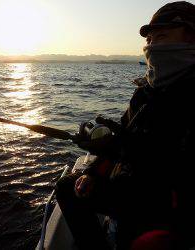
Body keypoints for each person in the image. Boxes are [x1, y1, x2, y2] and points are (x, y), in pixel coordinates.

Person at [56, 1, 195, 250]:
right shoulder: (145, 91)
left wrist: (121, 146)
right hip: (133, 185)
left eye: (161, 36)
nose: (151, 47)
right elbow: (124, 135)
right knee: (69, 188)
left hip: (171, 202)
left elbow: (176, 164)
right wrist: (93, 170)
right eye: (149, 41)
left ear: (191, 38)